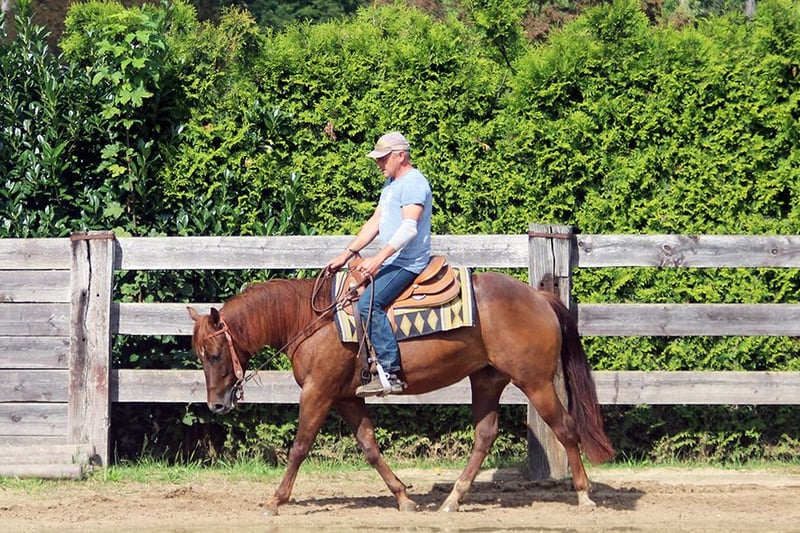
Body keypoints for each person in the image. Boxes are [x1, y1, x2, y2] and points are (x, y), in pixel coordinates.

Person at [325, 131, 432, 397]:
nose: (378, 164)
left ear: (401, 156)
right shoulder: (391, 184)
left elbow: (409, 228)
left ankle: (390, 372)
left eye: (383, 159)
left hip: (408, 263)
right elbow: (375, 222)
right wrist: (347, 254)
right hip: (394, 260)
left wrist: (378, 259)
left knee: (368, 304)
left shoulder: (413, 183)